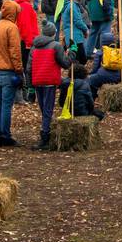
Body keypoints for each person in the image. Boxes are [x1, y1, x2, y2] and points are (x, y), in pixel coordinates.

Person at [29, 20, 72, 150]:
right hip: (49, 81)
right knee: (47, 109)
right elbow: (65, 63)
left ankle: (46, 130)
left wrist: (30, 87)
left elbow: (29, 67)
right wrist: (72, 53)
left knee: (44, 109)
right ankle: (45, 137)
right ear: (54, 33)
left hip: (37, 81)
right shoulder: (56, 46)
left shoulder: (34, 46)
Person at [0, 0, 25, 147]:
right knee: (6, 105)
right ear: (14, 13)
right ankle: (5, 134)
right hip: (8, 71)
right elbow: (15, 52)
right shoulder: (12, 28)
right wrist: (19, 70)